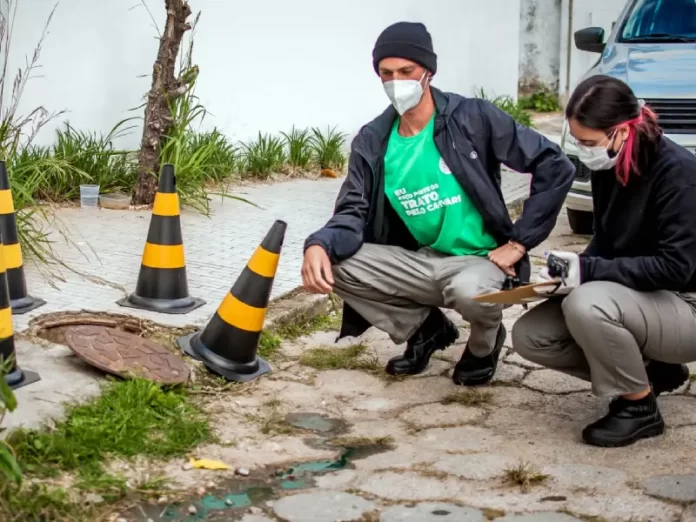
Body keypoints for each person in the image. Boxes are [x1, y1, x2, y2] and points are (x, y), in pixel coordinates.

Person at [301, 21, 575, 386]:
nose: (396, 81)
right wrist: (319, 243)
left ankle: (483, 345)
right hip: (421, 259)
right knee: (335, 262)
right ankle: (426, 330)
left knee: (472, 293)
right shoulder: (373, 140)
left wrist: (520, 242)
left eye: (406, 71)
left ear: (428, 71)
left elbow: (554, 164)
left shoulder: (471, 117)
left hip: (480, 262)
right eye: (386, 73)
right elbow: (353, 208)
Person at [511, 74, 696, 448]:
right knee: (530, 336)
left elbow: (677, 268)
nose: (582, 151)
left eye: (588, 143)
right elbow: (608, 240)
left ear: (622, 132)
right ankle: (649, 373)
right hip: (641, 301)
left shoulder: (679, 173)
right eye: (577, 141)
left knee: (587, 302)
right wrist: (565, 274)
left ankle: (638, 408)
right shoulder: (611, 164)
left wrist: (588, 273)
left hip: (686, 305)